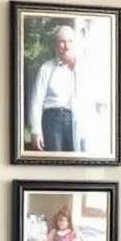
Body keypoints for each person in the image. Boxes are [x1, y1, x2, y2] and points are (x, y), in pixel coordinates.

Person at [26, 25, 105, 153]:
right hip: (52, 120)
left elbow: (96, 97)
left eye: (70, 41)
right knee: (56, 164)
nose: (67, 46)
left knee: (79, 162)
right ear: (55, 45)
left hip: (78, 118)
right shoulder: (46, 68)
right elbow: (36, 101)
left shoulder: (86, 67)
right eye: (62, 42)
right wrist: (36, 131)